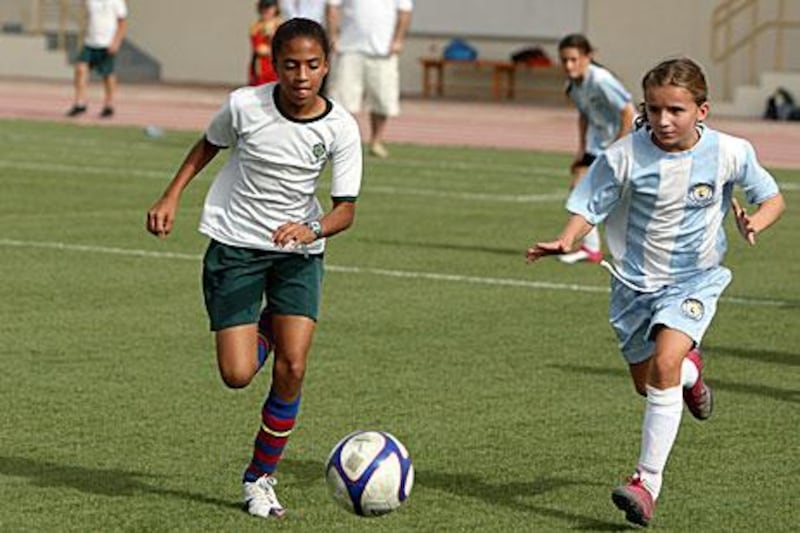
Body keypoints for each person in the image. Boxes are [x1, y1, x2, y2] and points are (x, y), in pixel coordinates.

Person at [526, 58, 784, 527]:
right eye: (655, 109)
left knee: (663, 362)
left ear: (702, 110)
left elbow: (773, 197)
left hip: (695, 279)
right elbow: (591, 204)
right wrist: (567, 238)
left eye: (677, 111)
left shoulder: (731, 151)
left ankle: (646, 483)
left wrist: (755, 221)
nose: (664, 121)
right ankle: (690, 375)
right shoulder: (625, 155)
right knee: (649, 383)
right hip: (632, 285)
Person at [146, 18, 363, 519]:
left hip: (298, 253)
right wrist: (171, 196)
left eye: (312, 65)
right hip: (237, 246)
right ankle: (270, 326)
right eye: (290, 65)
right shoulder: (245, 105)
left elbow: (346, 210)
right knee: (238, 374)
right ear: (275, 66)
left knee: (293, 366)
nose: (301, 75)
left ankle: (260, 477)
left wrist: (312, 231)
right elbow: (207, 146)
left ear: (326, 66)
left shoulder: (341, 127)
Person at [557, 34, 635, 264]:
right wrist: (582, 148)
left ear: (587, 57)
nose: (569, 65)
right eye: (564, 60)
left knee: (627, 199)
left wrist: (618, 147)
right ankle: (590, 249)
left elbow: (628, 112)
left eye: (573, 59)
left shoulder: (601, 80)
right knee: (579, 188)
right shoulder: (572, 85)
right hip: (598, 144)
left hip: (624, 143)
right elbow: (584, 114)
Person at [326, 0, 413, 159]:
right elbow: (332, 7)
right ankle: (339, 142)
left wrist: (398, 40)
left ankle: (376, 141)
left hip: (383, 51)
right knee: (342, 101)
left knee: (382, 100)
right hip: (349, 49)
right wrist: (333, 36)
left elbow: (405, 12)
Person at [66, 0, 128, 118]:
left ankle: (109, 104)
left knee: (107, 74)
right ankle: (80, 103)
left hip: (107, 43)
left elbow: (122, 23)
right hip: (90, 42)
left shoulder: (117, 2)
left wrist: (116, 42)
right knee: (80, 68)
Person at [249, 0, 282, 86]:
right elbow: (259, 49)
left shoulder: (281, 26)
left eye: (269, 7)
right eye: (264, 7)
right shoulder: (257, 27)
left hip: (277, 67)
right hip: (262, 68)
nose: (266, 11)